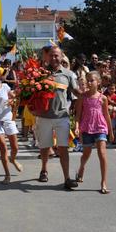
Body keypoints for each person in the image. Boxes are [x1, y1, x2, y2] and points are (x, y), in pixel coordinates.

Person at [34, 46, 81, 190]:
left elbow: (77, 92)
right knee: (44, 147)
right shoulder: (40, 74)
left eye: (57, 56)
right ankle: (44, 170)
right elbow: (31, 93)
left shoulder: (68, 74)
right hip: (43, 116)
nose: (54, 58)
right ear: (47, 57)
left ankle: (67, 178)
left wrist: (90, 94)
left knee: (63, 148)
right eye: (51, 56)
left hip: (62, 117)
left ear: (61, 57)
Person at [75, 71, 114, 194]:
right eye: (88, 80)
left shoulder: (103, 98)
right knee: (86, 154)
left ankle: (103, 182)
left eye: (92, 80)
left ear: (98, 82)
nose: (89, 82)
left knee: (102, 153)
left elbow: (107, 115)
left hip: (100, 127)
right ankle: (81, 168)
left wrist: (111, 132)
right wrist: (77, 128)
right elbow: (78, 115)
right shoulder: (83, 97)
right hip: (86, 128)